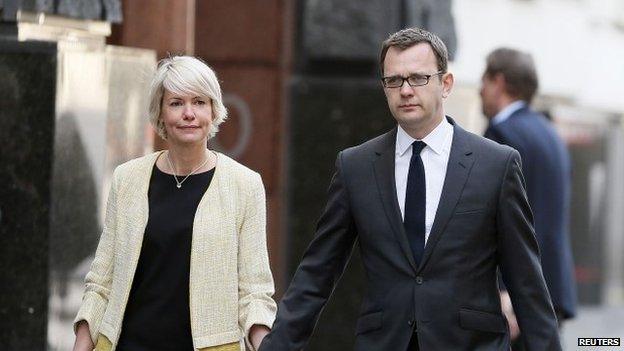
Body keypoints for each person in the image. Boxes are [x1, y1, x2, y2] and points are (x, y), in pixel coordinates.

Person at [259, 28, 561, 351]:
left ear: (445, 84)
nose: (405, 90)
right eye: (394, 80)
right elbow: (317, 271)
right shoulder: (356, 167)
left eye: (418, 78)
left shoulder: (496, 165)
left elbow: (527, 282)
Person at [72, 55, 276, 351]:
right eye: (176, 103)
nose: (188, 113)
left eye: (199, 102)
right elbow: (101, 282)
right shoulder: (127, 179)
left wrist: (264, 342)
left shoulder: (244, 185)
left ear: (213, 111)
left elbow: (255, 292)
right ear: (160, 113)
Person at [481, 48, 577, 349]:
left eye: (484, 79)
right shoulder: (550, 134)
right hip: (553, 290)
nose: (480, 89)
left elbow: (493, 220)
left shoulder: (502, 133)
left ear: (498, 82)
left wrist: (502, 291)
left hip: (517, 300)